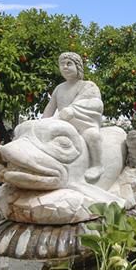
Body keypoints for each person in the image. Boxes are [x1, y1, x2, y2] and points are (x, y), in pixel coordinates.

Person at [42, 52, 104, 182]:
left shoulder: (88, 86)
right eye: (62, 64)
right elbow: (49, 109)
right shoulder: (59, 88)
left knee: (93, 135)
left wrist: (73, 110)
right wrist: (42, 123)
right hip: (62, 124)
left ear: (78, 66)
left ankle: (97, 165)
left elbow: (96, 104)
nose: (65, 67)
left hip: (83, 125)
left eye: (69, 64)